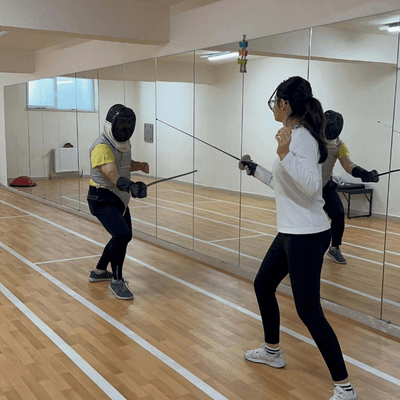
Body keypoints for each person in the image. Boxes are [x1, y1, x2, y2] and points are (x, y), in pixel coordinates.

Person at [239, 77, 358, 400]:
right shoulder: (296, 136)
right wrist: (255, 169)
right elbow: (286, 184)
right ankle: (272, 351)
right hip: (292, 231)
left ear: (285, 105)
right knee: (263, 285)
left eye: (275, 102)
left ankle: (345, 387)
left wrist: (283, 152)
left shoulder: (301, 138)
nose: (273, 108)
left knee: (308, 310)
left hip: (307, 235)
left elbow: (310, 186)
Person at [87, 104, 149, 300]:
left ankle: (99, 272)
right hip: (101, 197)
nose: (125, 128)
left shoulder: (123, 144)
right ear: (111, 124)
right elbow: (112, 174)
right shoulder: (101, 147)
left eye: (128, 124)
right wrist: (130, 185)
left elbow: (123, 163)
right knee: (122, 234)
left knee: (122, 235)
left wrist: (139, 165)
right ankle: (116, 280)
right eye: (122, 123)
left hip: (118, 198)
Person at [322, 110, 379, 264]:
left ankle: (334, 248)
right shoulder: (311, 139)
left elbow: (348, 165)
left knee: (339, 214)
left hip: (325, 186)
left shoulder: (339, 144)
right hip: (305, 189)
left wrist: (364, 174)